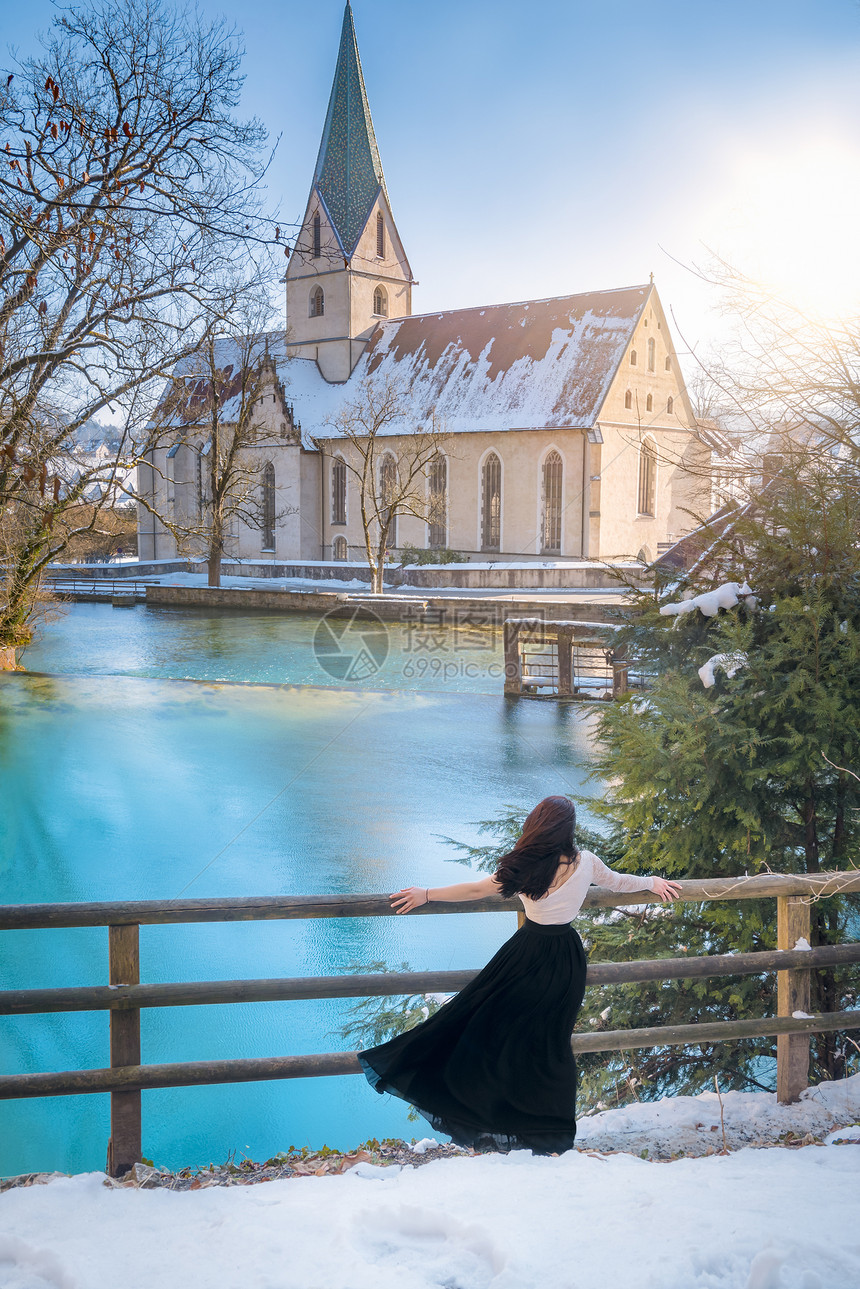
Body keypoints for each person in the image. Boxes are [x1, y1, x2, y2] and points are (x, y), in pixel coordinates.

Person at [358, 795, 680, 1155]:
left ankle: (499, 1122)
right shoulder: (586, 863)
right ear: (569, 831)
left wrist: (426, 894)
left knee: (484, 1027)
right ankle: (550, 1136)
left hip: (525, 953)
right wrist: (652, 882)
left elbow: (476, 889)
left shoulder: (524, 866)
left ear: (536, 826)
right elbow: (618, 882)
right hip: (565, 959)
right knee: (552, 1046)